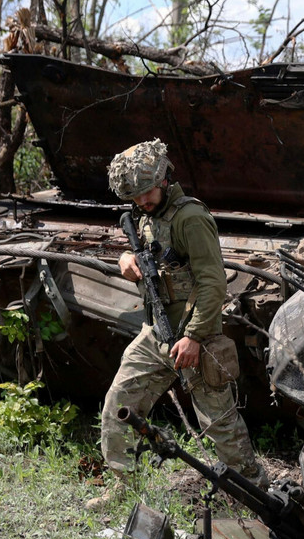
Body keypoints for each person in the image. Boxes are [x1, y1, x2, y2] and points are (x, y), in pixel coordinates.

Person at [85, 139, 268, 511]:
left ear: (164, 178)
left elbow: (213, 283)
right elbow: (144, 257)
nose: (140, 202)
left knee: (218, 423)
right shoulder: (146, 216)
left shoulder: (190, 218)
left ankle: (254, 492)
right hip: (155, 336)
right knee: (118, 404)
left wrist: (194, 336)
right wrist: (125, 259)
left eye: (145, 193)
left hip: (195, 337)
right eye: (132, 197)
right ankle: (123, 486)